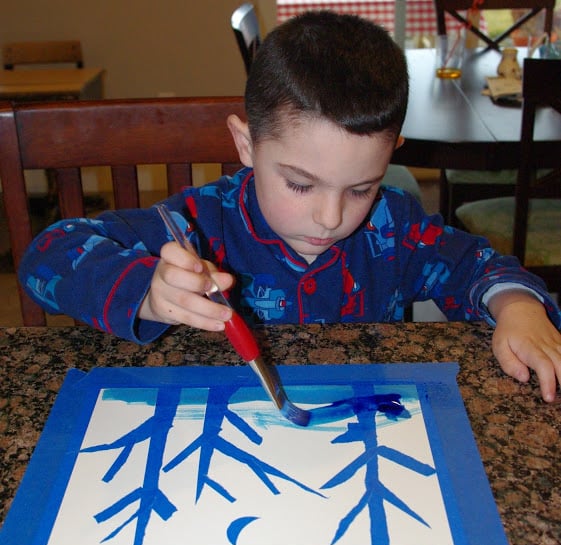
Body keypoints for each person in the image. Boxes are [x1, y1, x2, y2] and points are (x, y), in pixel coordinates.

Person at [18, 11, 561, 402]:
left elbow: (476, 265)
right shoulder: (198, 227)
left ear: (389, 157)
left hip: (362, 426)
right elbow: (44, 256)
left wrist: (518, 307)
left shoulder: (393, 226)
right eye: (301, 185)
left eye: (360, 188)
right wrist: (146, 291)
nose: (331, 218)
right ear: (247, 145)